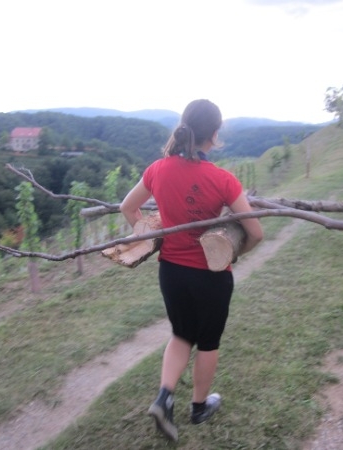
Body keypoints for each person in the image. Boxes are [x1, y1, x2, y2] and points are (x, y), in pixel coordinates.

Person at [121, 99, 263, 441]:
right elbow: (256, 232)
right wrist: (234, 252)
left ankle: (164, 398)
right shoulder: (223, 179)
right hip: (211, 276)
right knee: (208, 342)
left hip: (171, 271)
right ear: (214, 135)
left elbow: (128, 207)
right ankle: (199, 407)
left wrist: (150, 234)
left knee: (181, 334)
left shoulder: (157, 169)